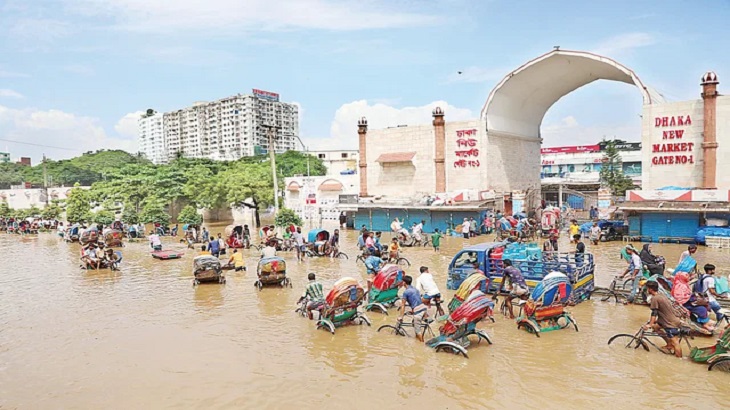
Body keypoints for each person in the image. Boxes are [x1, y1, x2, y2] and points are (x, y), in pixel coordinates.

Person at [644, 281, 684, 357]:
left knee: (675, 342)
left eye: (647, 288)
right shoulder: (661, 295)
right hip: (666, 320)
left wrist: (650, 324)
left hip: (670, 323)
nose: (646, 290)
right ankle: (669, 344)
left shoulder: (655, 298)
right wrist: (653, 324)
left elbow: (654, 313)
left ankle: (679, 359)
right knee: (656, 327)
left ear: (650, 289)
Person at [397, 275, 429, 342]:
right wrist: (412, 310)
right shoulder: (415, 289)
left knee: (418, 331)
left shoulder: (406, 292)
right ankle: (417, 342)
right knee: (414, 325)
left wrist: (401, 317)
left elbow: (403, 305)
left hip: (418, 312)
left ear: (404, 283)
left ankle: (422, 346)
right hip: (423, 309)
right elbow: (416, 301)